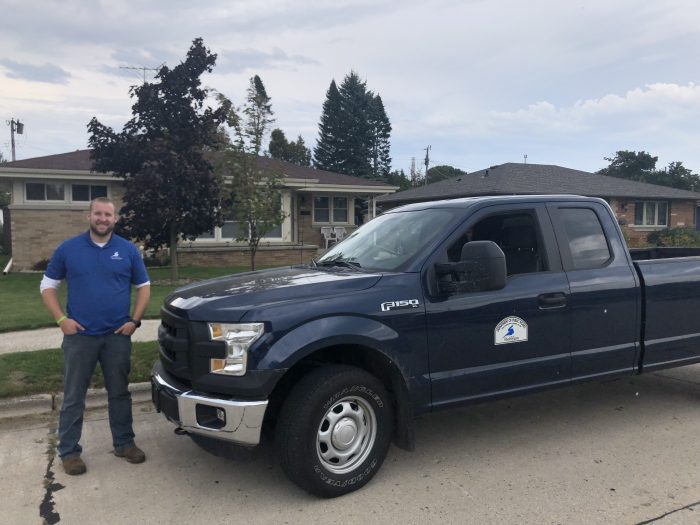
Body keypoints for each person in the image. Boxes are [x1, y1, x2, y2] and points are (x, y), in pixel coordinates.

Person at [40, 197, 151, 476]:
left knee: (120, 393)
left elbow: (144, 286)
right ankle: (69, 452)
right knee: (74, 395)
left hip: (117, 335)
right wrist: (61, 320)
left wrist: (134, 321)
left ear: (116, 219)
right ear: (89, 216)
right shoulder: (69, 249)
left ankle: (124, 444)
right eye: (98, 214)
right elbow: (47, 285)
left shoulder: (127, 250)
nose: (103, 218)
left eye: (108, 214)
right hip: (80, 337)